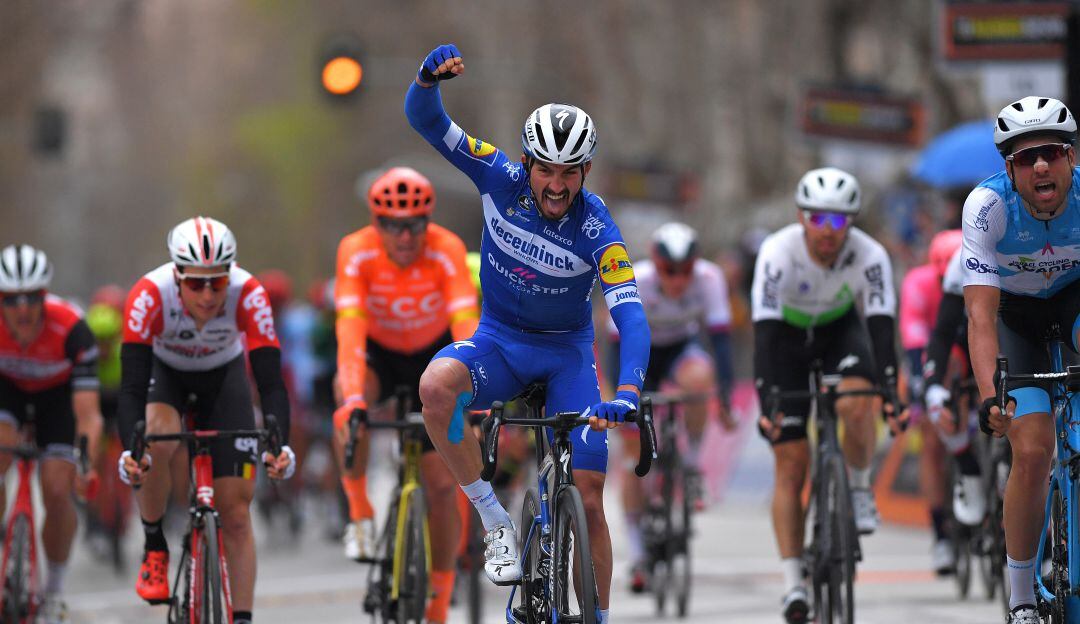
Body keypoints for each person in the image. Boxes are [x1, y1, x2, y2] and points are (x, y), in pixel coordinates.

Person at [406, 44, 650, 623]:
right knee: (436, 388)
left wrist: (628, 394)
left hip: (567, 358)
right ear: (526, 163)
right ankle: (494, 520)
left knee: (589, 496)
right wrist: (426, 81)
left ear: (586, 172)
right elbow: (427, 121)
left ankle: (596, 617)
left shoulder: (598, 228)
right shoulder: (497, 176)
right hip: (500, 343)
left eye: (570, 173)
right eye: (546, 170)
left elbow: (632, 317)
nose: (557, 186)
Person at [117, 217, 296, 624]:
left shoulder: (249, 293)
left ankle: (243, 617)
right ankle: (154, 545)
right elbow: (131, 389)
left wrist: (280, 445)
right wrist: (132, 451)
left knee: (236, 514)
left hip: (224, 377)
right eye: (196, 284)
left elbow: (271, 382)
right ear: (177, 276)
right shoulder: (148, 294)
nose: (209, 295)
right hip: (166, 375)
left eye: (218, 282)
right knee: (156, 439)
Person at [752, 167, 901, 624]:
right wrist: (767, 402)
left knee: (858, 401)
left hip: (839, 333)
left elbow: (882, 329)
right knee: (790, 461)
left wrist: (890, 393)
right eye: (817, 218)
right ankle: (793, 582)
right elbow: (764, 337)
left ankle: (858, 487)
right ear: (801, 217)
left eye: (839, 220)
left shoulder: (870, 255)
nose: (828, 230)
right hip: (786, 341)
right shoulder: (777, 252)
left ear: (851, 222)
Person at [333, 166, 480, 624]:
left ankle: (438, 604)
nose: (404, 236)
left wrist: (475, 392)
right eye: (392, 225)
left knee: (442, 485)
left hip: (433, 357)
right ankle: (359, 512)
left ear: (427, 222)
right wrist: (354, 399)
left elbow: (465, 325)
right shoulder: (355, 251)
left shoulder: (446, 248)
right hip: (380, 355)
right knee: (347, 397)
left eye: (414, 225)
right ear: (376, 222)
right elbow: (350, 332)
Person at [961, 96, 1078, 624]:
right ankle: (1022, 597)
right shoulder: (987, 207)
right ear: (1009, 170)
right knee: (1031, 451)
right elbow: (980, 318)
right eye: (1026, 158)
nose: (1040, 166)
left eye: (1051, 153)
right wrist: (991, 396)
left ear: (1071, 158)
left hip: (1075, 305)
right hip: (1016, 318)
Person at [607, 221, 735, 591]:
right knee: (633, 459)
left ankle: (691, 463)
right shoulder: (637, 279)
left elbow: (722, 343)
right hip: (639, 354)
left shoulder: (710, 279)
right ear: (656, 263)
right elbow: (615, 347)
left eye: (685, 271)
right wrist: (622, 401)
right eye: (669, 271)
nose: (678, 280)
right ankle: (637, 553)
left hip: (681, 350)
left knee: (699, 381)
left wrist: (726, 399)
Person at [0, 245, 103, 624]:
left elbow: (89, 414)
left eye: (32, 297)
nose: (22, 309)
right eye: (11, 300)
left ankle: (54, 590)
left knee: (58, 490)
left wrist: (86, 464)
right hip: (7, 392)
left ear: (45, 295)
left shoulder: (73, 329)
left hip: (57, 400)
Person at [898, 228, 976, 574]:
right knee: (931, 437)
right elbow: (917, 342)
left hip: (971, 340)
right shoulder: (918, 283)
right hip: (934, 349)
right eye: (943, 278)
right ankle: (941, 532)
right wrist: (925, 391)